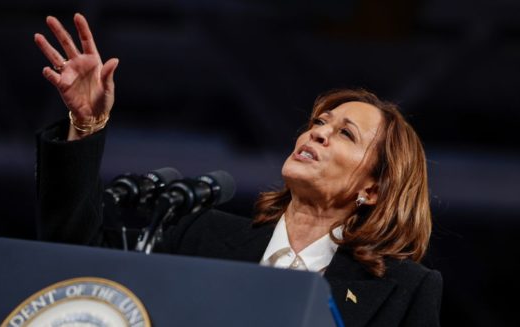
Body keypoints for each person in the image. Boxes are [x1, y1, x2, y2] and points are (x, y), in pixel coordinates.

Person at [34, 13, 442, 326]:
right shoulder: (200, 234)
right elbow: (77, 264)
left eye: (345, 134)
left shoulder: (404, 290)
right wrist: (84, 126)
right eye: (318, 123)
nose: (317, 134)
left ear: (372, 189)